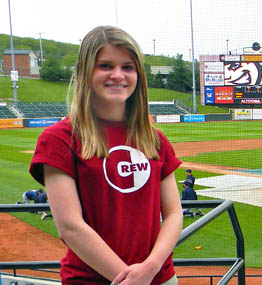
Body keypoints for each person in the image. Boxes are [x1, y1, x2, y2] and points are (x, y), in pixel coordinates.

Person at [28, 26, 182, 285]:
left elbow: (174, 213)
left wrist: (151, 267)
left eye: (128, 67)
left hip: (159, 278)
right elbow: (70, 227)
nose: (118, 75)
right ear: (84, 71)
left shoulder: (154, 139)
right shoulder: (59, 139)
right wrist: (128, 280)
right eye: (106, 65)